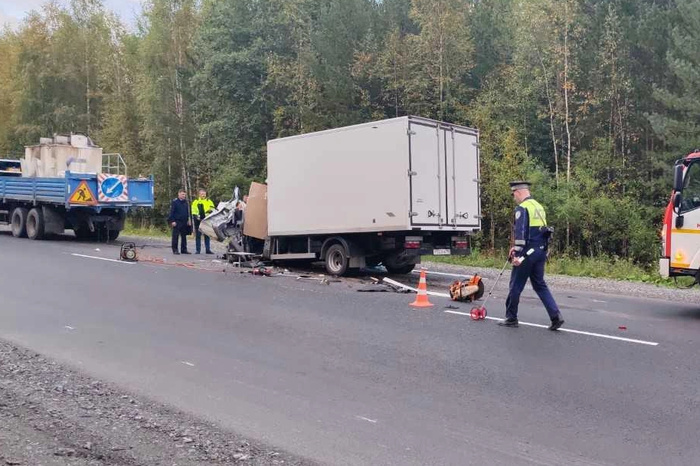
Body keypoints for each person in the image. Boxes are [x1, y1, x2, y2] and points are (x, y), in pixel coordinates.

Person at [499, 181, 565, 330]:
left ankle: (511, 318)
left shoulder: (522, 208)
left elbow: (521, 234)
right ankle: (556, 316)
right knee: (540, 285)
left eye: (513, 194)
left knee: (515, 285)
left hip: (526, 254)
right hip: (540, 252)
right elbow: (541, 232)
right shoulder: (539, 207)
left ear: (518, 192)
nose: (514, 198)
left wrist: (516, 254)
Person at [191, 189, 215, 254]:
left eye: (204, 194)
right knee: (198, 235)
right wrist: (196, 217)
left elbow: (213, 209)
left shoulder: (209, 201)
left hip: (207, 220)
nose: (203, 195)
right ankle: (198, 250)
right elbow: (193, 210)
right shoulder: (196, 202)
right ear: (199, 194)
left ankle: (208, 249)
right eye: (202, 194)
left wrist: (210, 212)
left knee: (207, 235)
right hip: (198, 220)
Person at [168, 189, 191, 255]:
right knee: (175, 236)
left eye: (184, 194)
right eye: (182, 194)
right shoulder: (175, 202)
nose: (184, 196)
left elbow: (187, 212)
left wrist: (188, 220)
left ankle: (184, 249)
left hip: (184, 221)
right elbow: (172, 212)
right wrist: (172, 221)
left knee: (184, 236)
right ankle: (175, 250)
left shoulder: (185, 202)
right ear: (179, 194)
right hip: (177, 221)